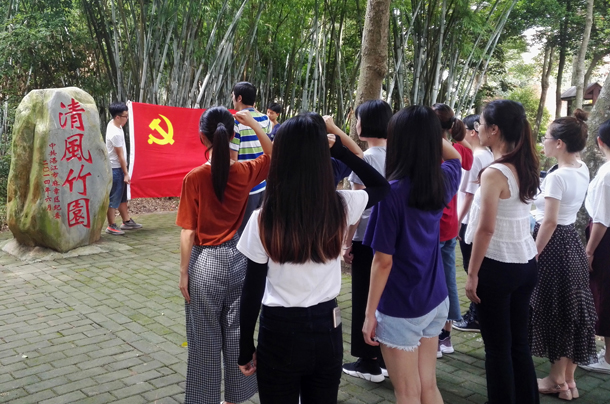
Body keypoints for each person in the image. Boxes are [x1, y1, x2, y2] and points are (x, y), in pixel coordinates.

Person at [237, 113, 390, 404]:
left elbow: (252, 290)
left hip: (278, 331)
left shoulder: (263, 218)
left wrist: (245, 347)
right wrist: (341, 150)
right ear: (322, 157)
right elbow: (382, 186)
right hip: (326, 329)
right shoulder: (342, 205)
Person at [363, 105, 463, 404]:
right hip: (436, 299)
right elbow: (455, 158)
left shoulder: (391, 193)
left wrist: (369, 315)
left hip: (401, 306)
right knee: (427, 386)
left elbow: (383, 262)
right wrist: (429, 130)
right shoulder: (441, 179)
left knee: (407, 392)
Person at [176, 106, 272, 404]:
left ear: (202, 137)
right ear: (232, 135)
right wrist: (254, 125)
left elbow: (188, 232)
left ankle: (204, 399)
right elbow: (274, 155)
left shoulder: (194, 178)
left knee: (204, 338)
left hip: (204, 263)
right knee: (236, 332)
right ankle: (234, 398)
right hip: (239, 259)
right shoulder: (244, 172)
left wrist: (183, 272)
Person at [464, 100, 540, 404]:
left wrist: (472, 273)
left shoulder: (494, 172)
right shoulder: (525, 164)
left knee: (497, 347)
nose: (477, 129)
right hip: (525, 262)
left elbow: (485, 229)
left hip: (498, 266)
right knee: (518, 343)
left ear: (494, 129)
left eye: (480, 124)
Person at [529, 109, 597, 400]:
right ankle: (568, 380)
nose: (542, 142)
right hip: (572, 244)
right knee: (572, 310)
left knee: (556, 311)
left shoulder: (557, 177)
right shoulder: (581, 167)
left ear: (559, 143)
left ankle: (557, 380)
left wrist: (534, 253)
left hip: (553, 245)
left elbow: (549, 221)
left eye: (545, 137)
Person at [340, 100, 393, 382]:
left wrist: (347, 242)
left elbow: (358, 206)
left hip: (367, 235)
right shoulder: (397, 154)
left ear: (367, 123)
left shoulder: (367, 158)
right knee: (382, 296)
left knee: (364, 295)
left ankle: (368, 361)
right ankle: (385, 356)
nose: (356, 124)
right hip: (390, 235)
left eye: (358, 119)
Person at [432, 103, 473, 357]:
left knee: (434, 280)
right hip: (450, 225)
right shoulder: (456, 149)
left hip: (435, 226)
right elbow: (468, 154)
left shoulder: (431, 150)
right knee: (448, 279)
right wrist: (456, 134)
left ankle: (433, 335)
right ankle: (445, 336)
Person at [454, 114, 493, 333]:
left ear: (472, 132)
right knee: (476, 268)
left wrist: (458, 221)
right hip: (474, 218)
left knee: (471, 268)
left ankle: (476, 316)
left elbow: (468, 194)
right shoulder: (487, 154)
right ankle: (477, 314)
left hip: (469, 220)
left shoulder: (477, 156)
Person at [580, 118, 610, 374]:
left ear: (600, 142)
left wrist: (589, 251)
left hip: (605, 239)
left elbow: (601, 219)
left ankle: (609, 359)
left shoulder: (607, 174)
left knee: (604, 294)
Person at [229, 82, 271, 234]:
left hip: (245, 188)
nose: (232, 99)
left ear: (239, 98)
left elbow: (233, 160)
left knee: (242, 234)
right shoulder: (265, 119)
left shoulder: (235, 122)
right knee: (259, 233)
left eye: (233, 96)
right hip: (263, 184)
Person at [105, 101, 143, 235]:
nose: (127, 119)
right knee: (114, 197)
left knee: (122, 196)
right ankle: (111, 225)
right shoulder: (114, 133)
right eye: (125, 116)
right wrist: (126, 173)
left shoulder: (114, 124)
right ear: (117, 117)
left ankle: (126, 221)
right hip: (116, 169)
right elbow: (120, 156)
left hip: (119, 168)